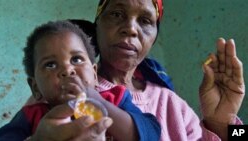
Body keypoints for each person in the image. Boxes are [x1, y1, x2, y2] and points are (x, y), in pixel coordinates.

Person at [83, 0, 244, 141]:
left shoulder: (172, 104)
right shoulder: (78, 93)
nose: (131, 28)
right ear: (97, 24)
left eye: (145, 21)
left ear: (154, 37)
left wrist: (222, 124)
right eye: (117, 14)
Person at [0, 20, 161, 141]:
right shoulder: (31, 116)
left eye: (76, 59)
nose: (67, 70)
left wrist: (97, 100)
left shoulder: (115, 99)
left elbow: (152, 133)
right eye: (50, 64)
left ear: (95, 74)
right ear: (35, 88)